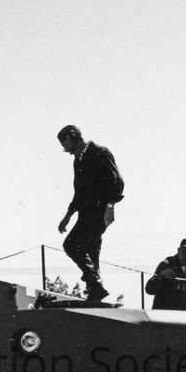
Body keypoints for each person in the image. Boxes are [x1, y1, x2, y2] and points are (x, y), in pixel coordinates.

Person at [55, 124, 123, 305]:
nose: (71, 153)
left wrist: (110, 207)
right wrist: (68, 216)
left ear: (76, 139)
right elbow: (79, 192)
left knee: (71, 244)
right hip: (85, 212)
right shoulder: (78, 161)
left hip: (100, 211)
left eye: (71, 148)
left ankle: (96, 284)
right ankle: (95, 291)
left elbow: (117, 181)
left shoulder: (100, 153)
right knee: (91, 250)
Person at [147, 238, 186, 311]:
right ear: (178, 250)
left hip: (181, 313)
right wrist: (160, 276)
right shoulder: (166, 264)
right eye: (183, 251)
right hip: (162, 312)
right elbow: (149, 290)